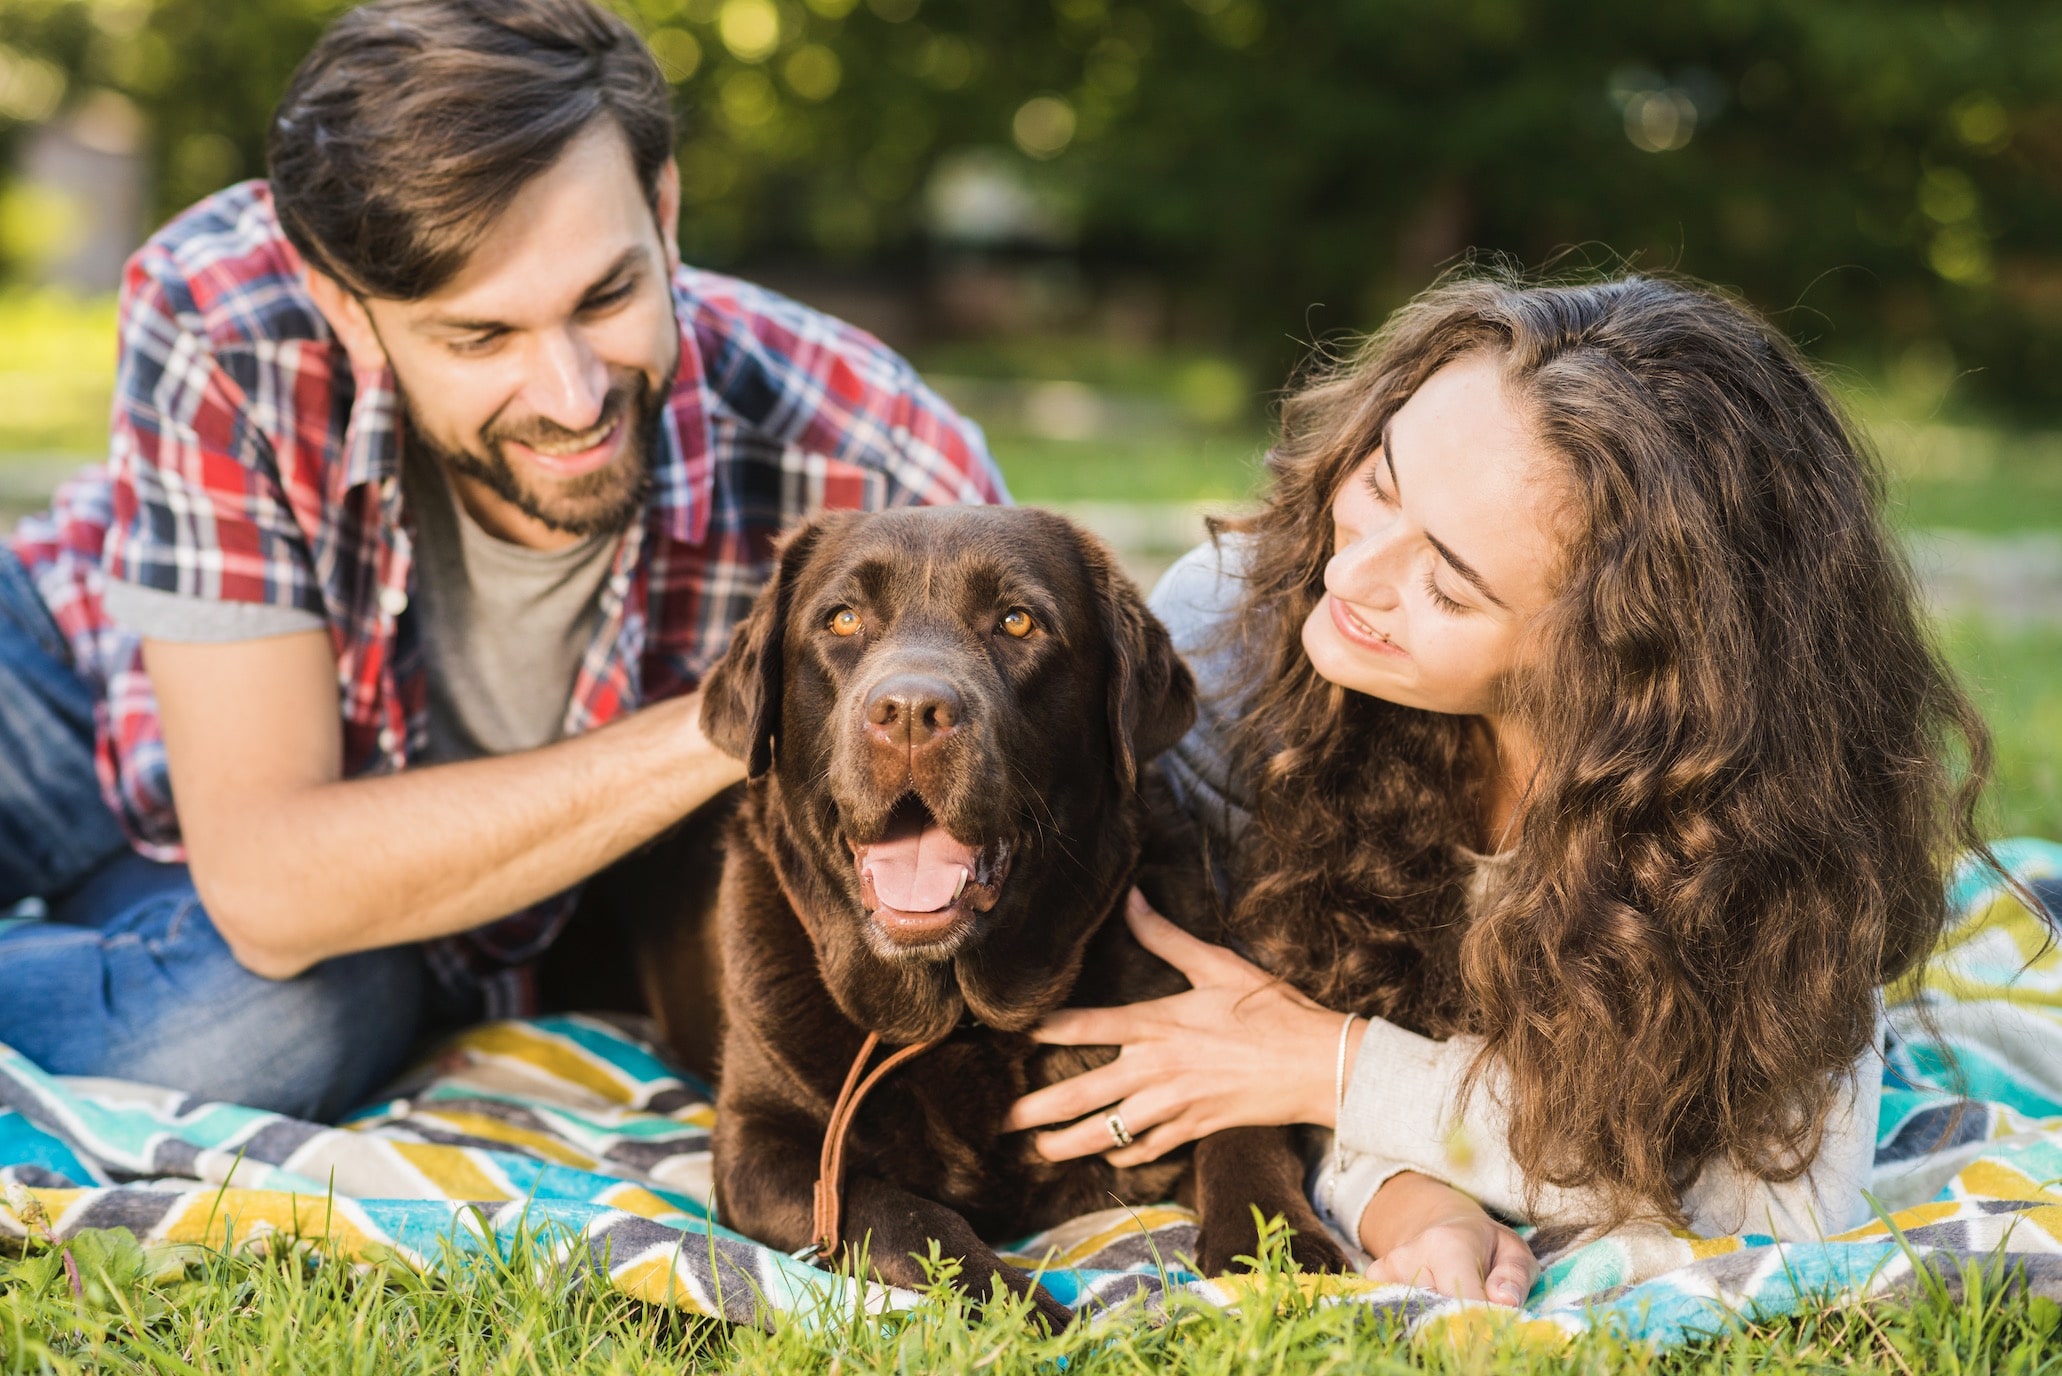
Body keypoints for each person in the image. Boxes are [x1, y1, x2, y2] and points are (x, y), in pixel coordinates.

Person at [0, 0, 1002, 1120]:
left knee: (263, 1033)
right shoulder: (229, 309)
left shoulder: (880, 467)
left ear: (662, 210)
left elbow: (1038, 793)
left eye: (608, 295)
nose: (574, 398)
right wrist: (744, 702)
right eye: (481, 337)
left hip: (354, 906)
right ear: (347, 306)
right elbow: (269, 867)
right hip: (68, 664)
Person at [1004, 274, 2000, 1306]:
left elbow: (1781, 1203)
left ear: (1621, 657)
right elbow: (1236, 1039)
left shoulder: (1757, 812)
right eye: (1380, 480)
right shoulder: (1230, 639)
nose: (1351, 576)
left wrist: (1344, 1068)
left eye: (1446, 581)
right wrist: (1404, 1189)